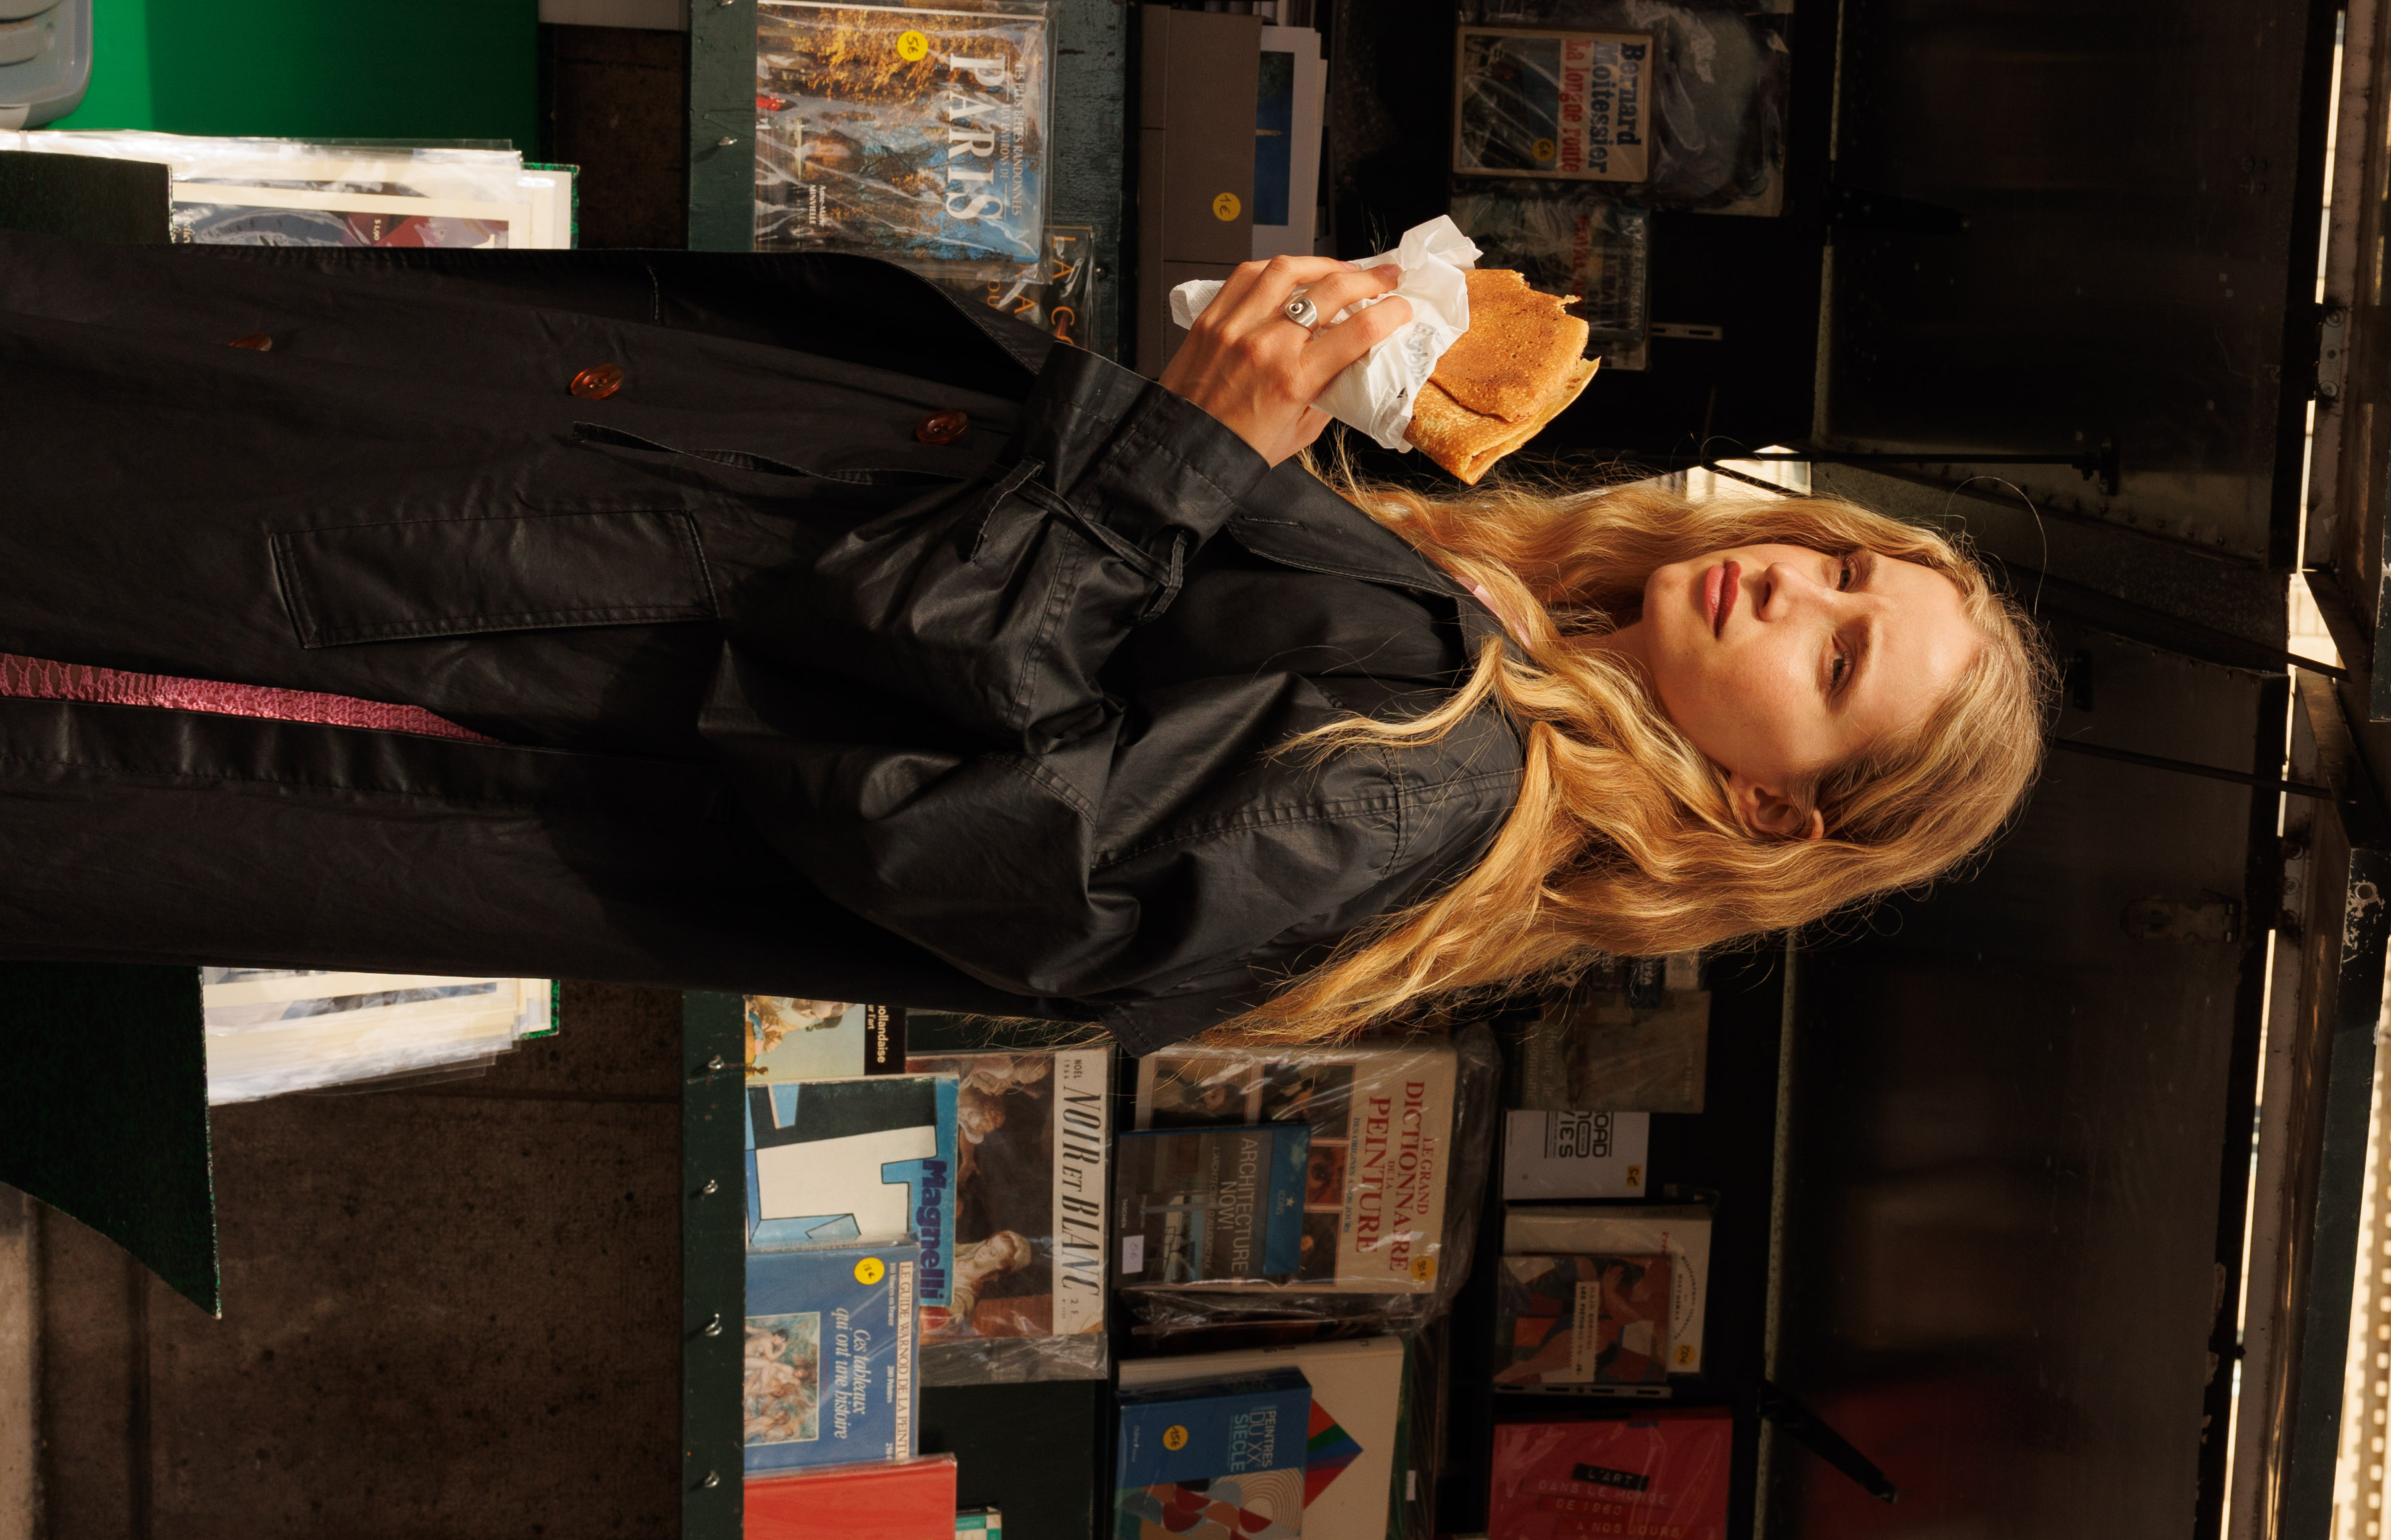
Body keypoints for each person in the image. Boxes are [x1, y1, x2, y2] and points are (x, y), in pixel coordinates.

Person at [0, 235, 2048, 1046]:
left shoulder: (1451, 784)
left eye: (1845, 657)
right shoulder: (1481, 617)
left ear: (1776, 803)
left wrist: (1181, 451)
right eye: (1850, 566)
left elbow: (967, 828)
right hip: (479, 546)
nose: (1801, 589)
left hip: (435, 670)